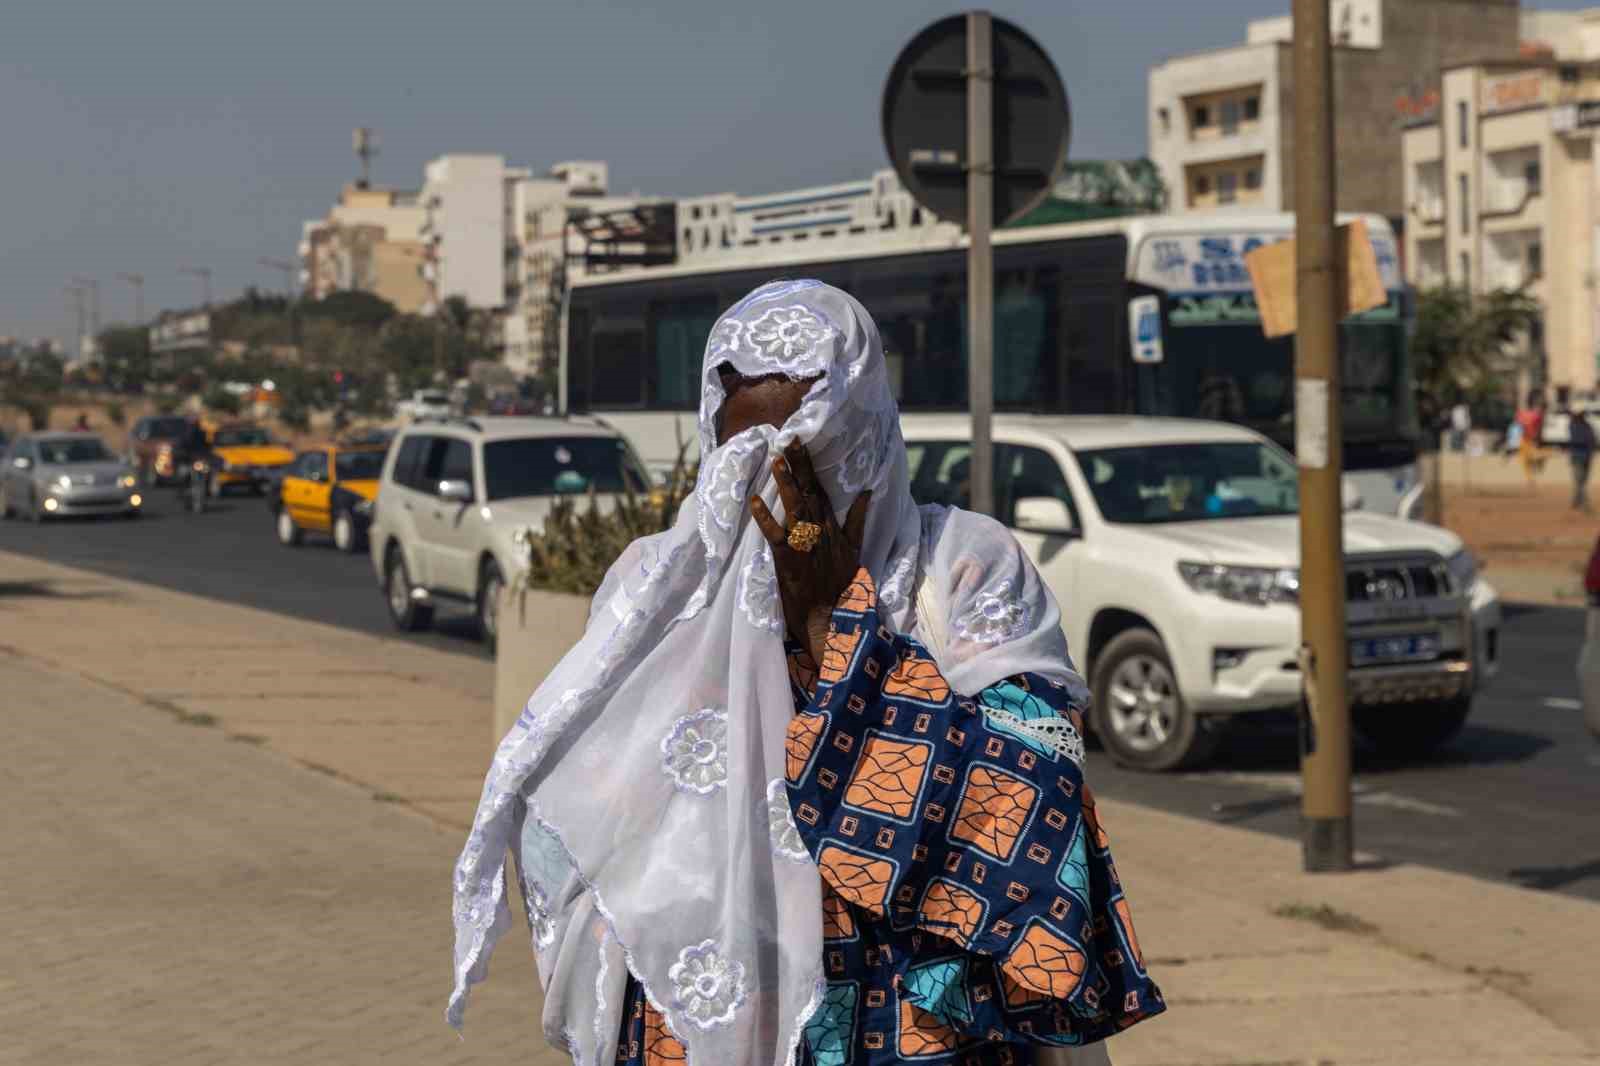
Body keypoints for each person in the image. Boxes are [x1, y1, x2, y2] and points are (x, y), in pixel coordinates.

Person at [447, 281, 1163, 1065]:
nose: (783, 506)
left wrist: (834, 637)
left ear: (869, 443)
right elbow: (584, 820)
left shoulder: (962, 569)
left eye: (808, 466)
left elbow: (1036, 809)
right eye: (745, 467)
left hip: (917, 1031)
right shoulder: (652, 590)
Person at [1515, 391, 1547, 490]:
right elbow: (1521, 424)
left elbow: (1537, 426)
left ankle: (1542, 459)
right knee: (1524, 460)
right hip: (1526, 439)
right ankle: (1530, 479)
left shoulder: (1533, 414)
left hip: (1530, 439)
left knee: (1530, 457)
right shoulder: (1528, 414)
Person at [1568, 403, 1595, 511]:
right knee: (1580, 481)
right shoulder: (1573, 425)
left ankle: (1576, 501)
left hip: (1586, 456)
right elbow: (1578, 439)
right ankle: (1585, 504)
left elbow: (1592, 439)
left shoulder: (1586, 425)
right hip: (1578, 456)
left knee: (1582, 480)